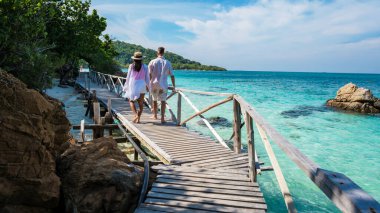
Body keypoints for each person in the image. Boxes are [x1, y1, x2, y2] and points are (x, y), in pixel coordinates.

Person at [148, 47, 175, 123]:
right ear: (163, 52)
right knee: (163, 101)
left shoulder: (152, 61)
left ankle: (155, 115)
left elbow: (149, 74)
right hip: (163, 85)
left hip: (153, 84)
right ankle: (162, 118)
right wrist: (174, 86)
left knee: (154, 100)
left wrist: (148, 84)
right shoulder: (168, 62)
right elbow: (172, 75)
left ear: (157, 52)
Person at [123, 52, 149, 123]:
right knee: (141, 103)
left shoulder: (131, 66)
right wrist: (148, 86)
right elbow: (147, 78)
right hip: (142, 84)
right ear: (141, 59)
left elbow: (128, 77)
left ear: (134, 59)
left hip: (133, 84)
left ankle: (135, 115)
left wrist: (126, 85)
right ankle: (138, 119)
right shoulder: (145, 67)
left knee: (131, 101)